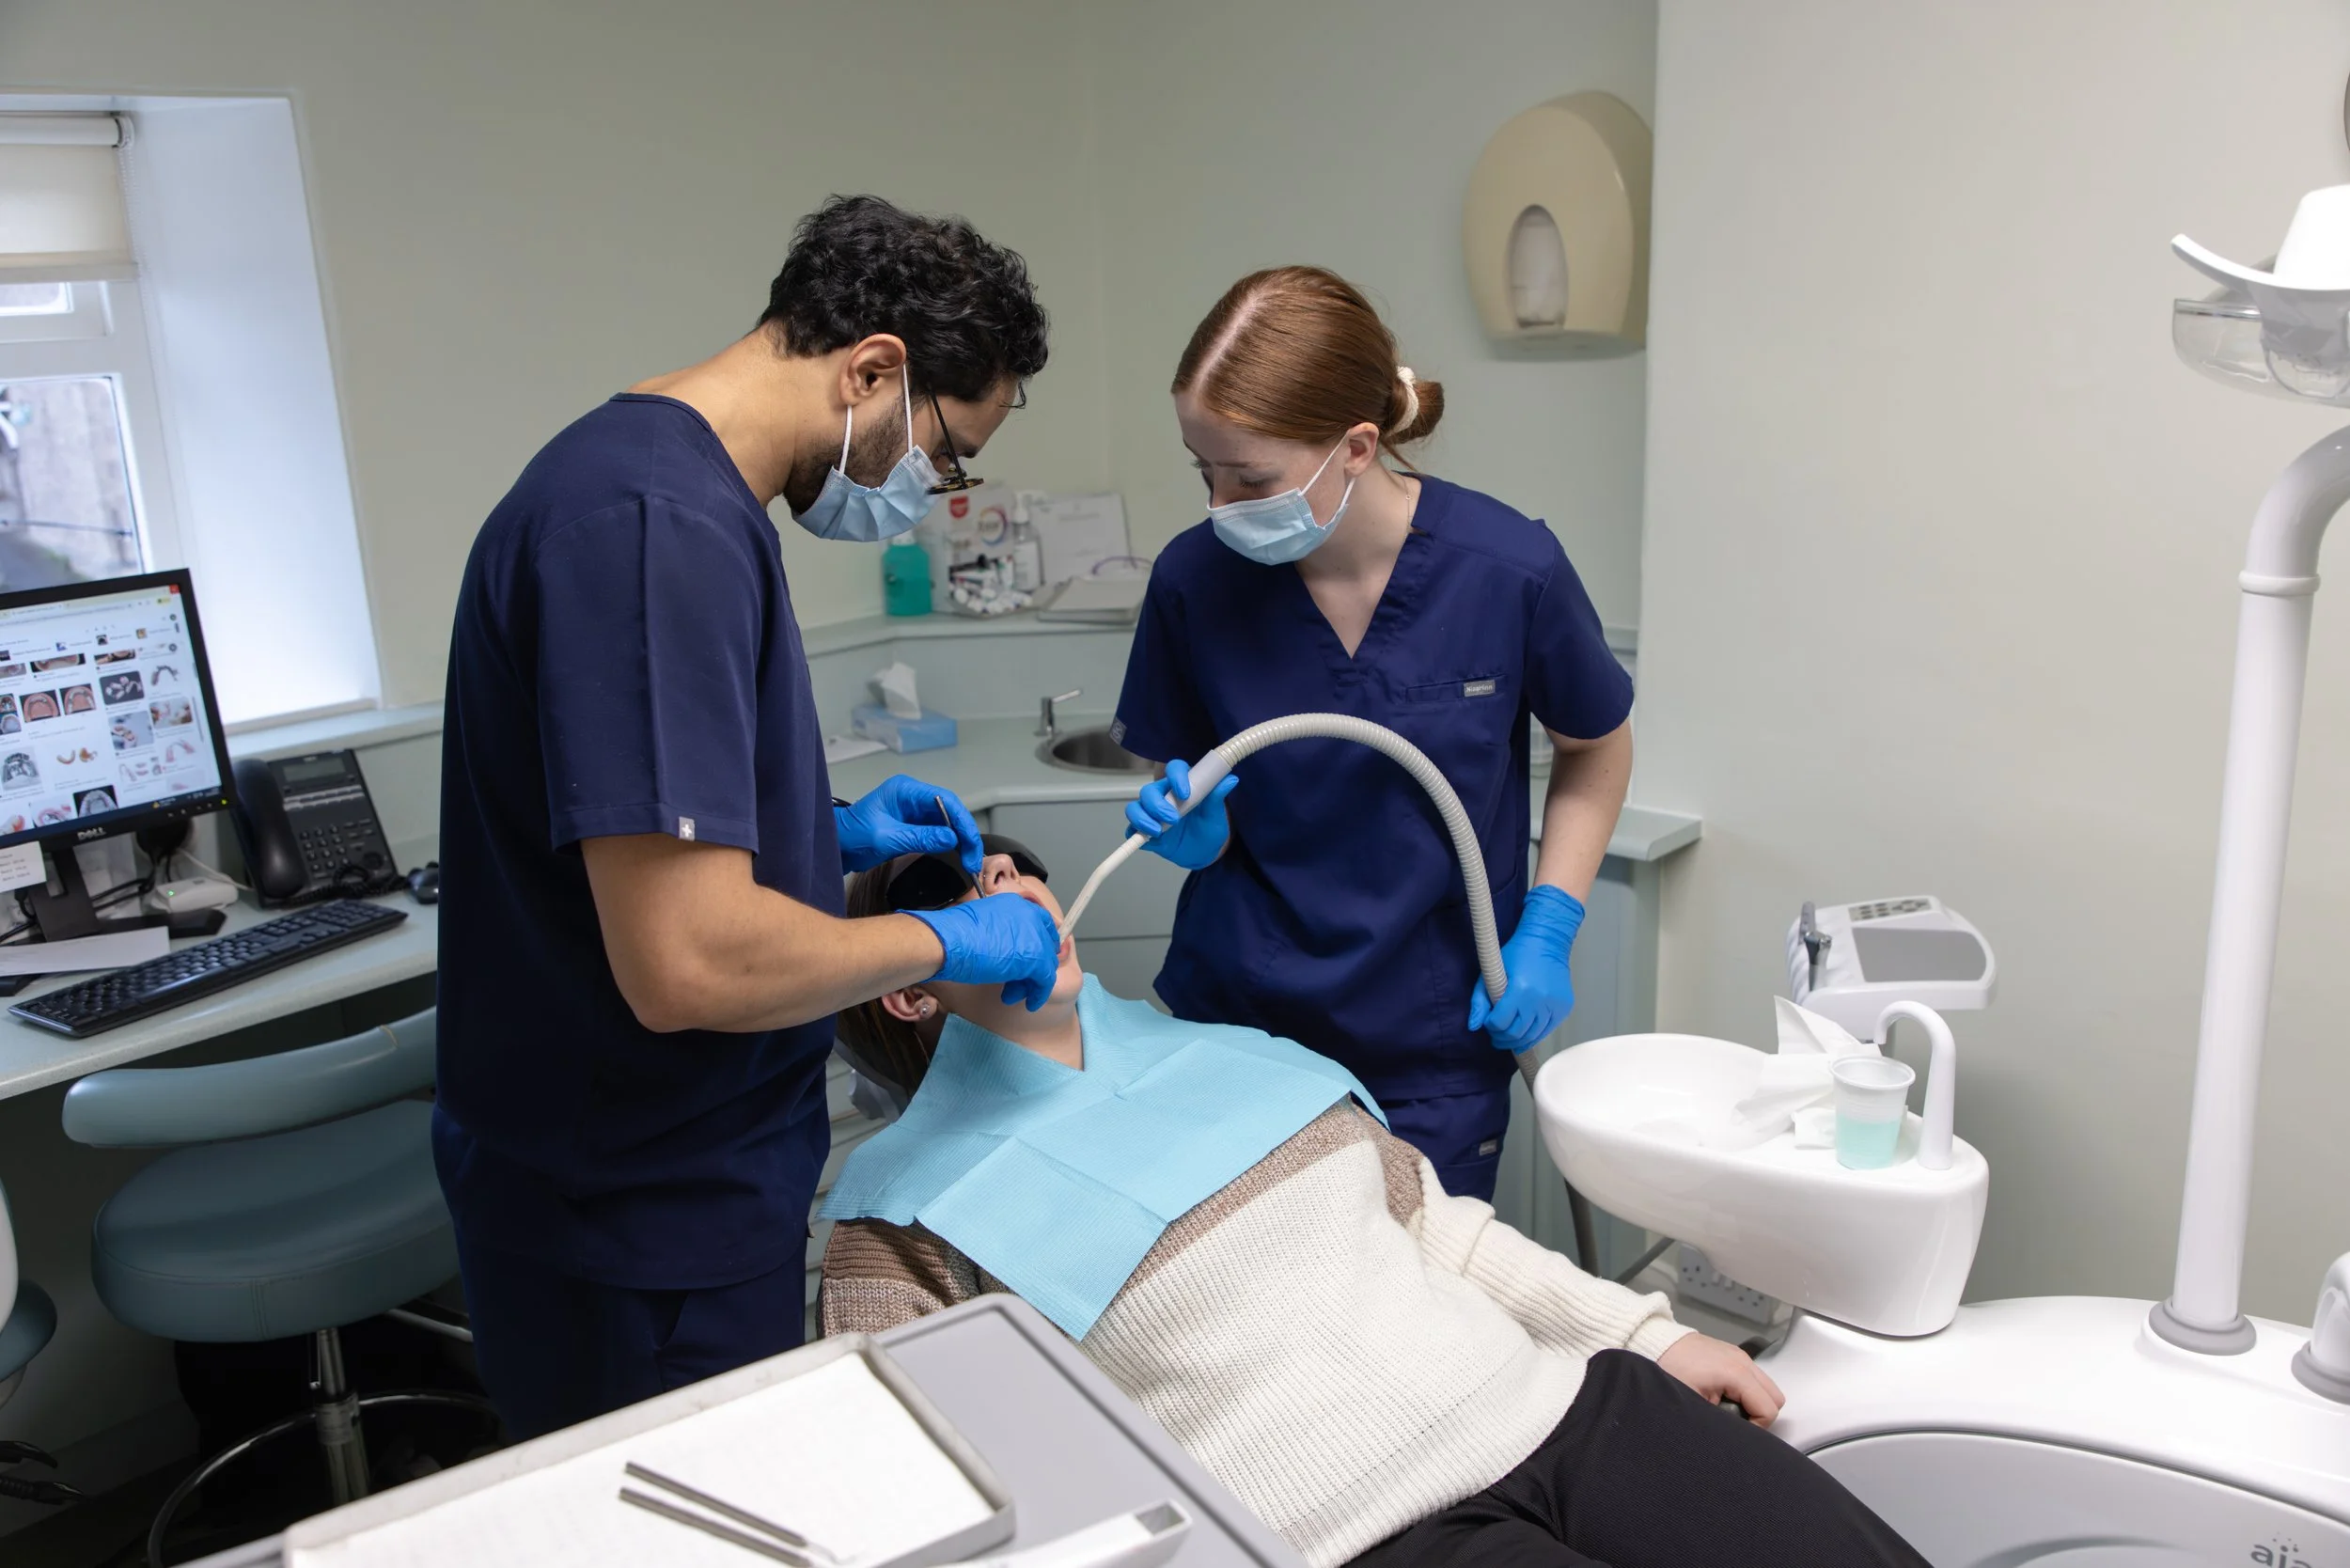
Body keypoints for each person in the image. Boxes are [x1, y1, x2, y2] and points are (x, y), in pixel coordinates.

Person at [821, 847, 1927, 1568]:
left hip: (1566, 1410)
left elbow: (1438, 1231)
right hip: (1363, 1529)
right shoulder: (905, 1221)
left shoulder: (1231, 1056)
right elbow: (964, 1489)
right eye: (962, 898)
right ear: (909, 985)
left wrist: (1646, 1333)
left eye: (1008, 868)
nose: (1009, 887)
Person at [434, 196, 1068, 1439]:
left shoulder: (677, 494)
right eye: (944, 454)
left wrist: (825, 834)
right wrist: (952, 946)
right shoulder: (651, 532)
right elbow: (689, 963)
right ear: (873, 367)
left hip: (667, 1181)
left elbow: (628, 834)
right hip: (635, 1215)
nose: (935, 494)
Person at [1112, 266, 1634, 1201]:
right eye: (1204, 471)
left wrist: (1548, 927)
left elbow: (1596, 744)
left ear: (1356, 446)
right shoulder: (1195, 580)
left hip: (1428, 1043)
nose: (1221, 504)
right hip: (1237, 1031)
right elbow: (1184, 763)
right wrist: (1194, 824)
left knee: (1424, 1317)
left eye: (1251, 477)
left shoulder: (1506, 568)